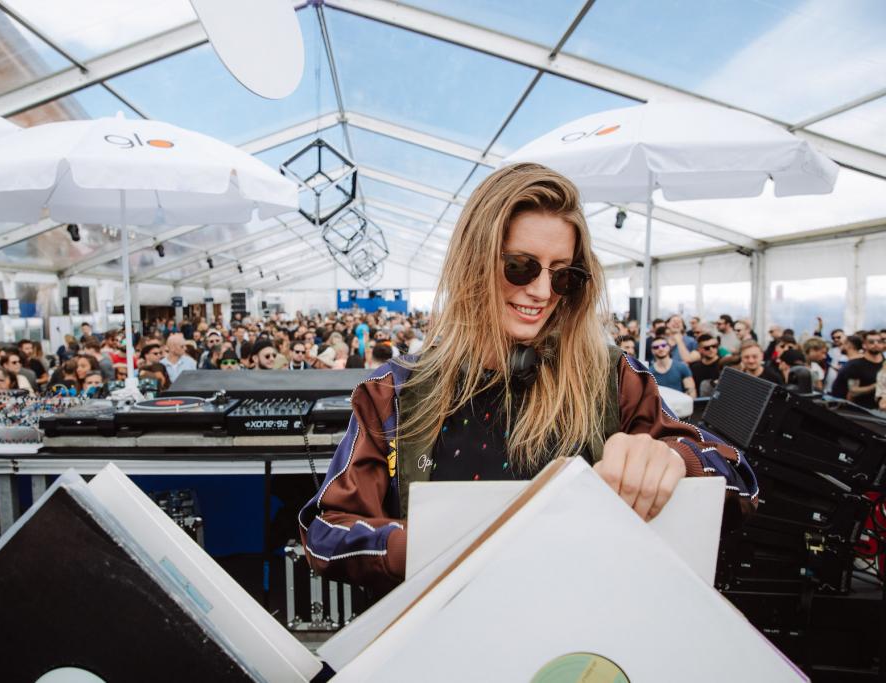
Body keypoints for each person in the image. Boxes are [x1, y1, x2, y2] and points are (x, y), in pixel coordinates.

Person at [298, 163, 756, 592]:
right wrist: (430, 545)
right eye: (521, 266)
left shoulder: (613, 376)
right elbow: (325, 530)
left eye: (563, 276)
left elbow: (741, 479)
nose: (541, 291)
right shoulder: (393, 391)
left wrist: (674, 460)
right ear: (473, 262)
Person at [831, 331, 884, 409]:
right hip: (858, 411)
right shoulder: (855, 365)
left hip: (878, 410)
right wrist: (877, 385)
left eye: (879, 341)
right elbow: (853, 392)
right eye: (871, 342)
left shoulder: (884, 364)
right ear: (864, 345)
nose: (876, 344)